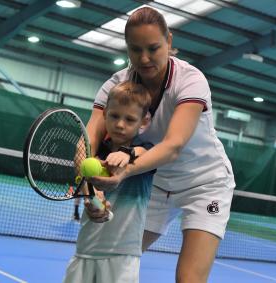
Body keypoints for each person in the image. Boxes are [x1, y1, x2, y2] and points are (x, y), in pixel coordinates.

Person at [86, 7, 235, 283]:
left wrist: (126, 170)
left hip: (205, 184)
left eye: (153, 48)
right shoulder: (116, 86)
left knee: (188, 278)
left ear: (169, 40)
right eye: (135, 49)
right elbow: (88, 142)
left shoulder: (190, 81)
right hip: (155, 186)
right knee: (111, 260)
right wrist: (91, 190)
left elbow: (173, 145)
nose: (144, 58)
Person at [63, 81, 156, 283]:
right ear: (104, 114)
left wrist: (128, 153)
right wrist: (92, 202)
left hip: (122, 256)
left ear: (144, 122)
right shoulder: (93, 157)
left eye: (130, 119)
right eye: (114, 116)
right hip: (85, 251)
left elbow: (145, 153)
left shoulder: (145, 151)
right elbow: (85, 187)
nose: (120, 124)